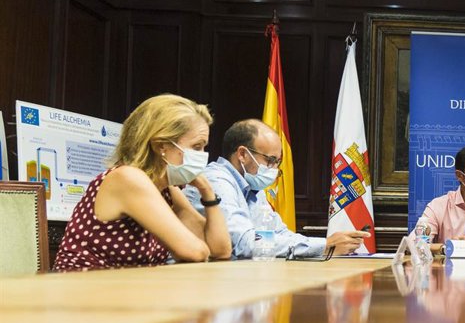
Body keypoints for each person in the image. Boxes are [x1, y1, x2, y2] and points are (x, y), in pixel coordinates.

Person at [54, 94, 232, 271]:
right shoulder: (127, 178)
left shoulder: (166, 189)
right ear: (161, 146)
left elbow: (221, 251)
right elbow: (194, 252)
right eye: (197, 147)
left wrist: (207, 191)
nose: (202, 155)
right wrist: (198, 247)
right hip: (83, 284)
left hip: (124, 285)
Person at [195, 120, 368, 259]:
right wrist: (325, 245)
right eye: (270, 160)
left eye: (277, 162)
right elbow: (244, 244)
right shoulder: (216, 180)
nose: (274, 169)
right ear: (243, 154)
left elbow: (280, 233)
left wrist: (328, 244)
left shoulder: (252, 186)